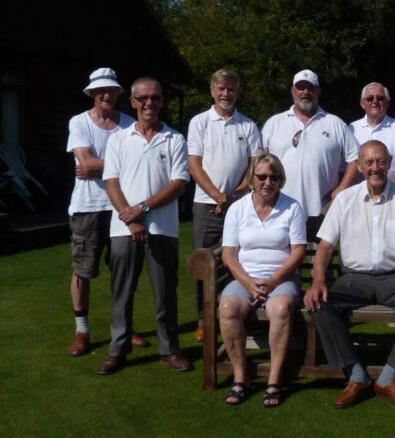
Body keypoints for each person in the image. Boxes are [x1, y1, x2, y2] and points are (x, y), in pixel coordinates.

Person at [303, 140, 395, 409]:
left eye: (380, 162)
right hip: (354, 278)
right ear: (358, 166)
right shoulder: (344, 200)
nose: (375, 168)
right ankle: (357, 375)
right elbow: (325, 247)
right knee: (319, 302)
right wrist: (318, 281)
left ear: (389, 164)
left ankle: (388, 377)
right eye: (369, 162)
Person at [99, 77, 192, 375]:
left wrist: (142, 209)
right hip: (123, 229)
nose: (149, 103)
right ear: (134, 103)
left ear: (162, 101)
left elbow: (178, 185)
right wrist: (132, 219)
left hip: (163, 228)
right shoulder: (118, 139)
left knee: (166, 292)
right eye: (143, 98)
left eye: (155, 97)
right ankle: (118, 349)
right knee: (121, 292)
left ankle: (170, 350)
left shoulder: (175, 139)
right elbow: (111, 183)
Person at [66, 68, 150, 356]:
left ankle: (124, 327)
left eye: (112, 90)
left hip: (122, 208)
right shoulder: (79, 123)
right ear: (92, 93)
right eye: (102, 90)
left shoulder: (128, 124)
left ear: (118, 93)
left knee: (123, 270)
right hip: (87, 207)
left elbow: (94, 166)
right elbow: (84, 162)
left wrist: (98, 166)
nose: (107, 94)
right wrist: (116, 162)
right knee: (83, 270)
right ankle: (82, 330)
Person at [218, 154, 306, 406]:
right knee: (227, 308)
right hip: (246, 277)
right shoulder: (237, 208)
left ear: (281, 180)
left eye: (274, 177)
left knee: (280, 308)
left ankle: (274, 380)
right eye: (262, 176)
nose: (268, 182)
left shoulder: (292, 207)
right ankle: (240, 376)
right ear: (252, 179)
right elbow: (228, 254)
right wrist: (248, 283)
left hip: (282, 277)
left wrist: (273, 281)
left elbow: (298, 250)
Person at [187, 69, 263, 341]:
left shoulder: (248, 125)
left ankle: (236, 313)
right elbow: (194, 165)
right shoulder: (199, 122)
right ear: (212, 91)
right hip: (206, 206)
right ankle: (203, 319)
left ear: (237, 92)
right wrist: (219, 197)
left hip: (241, 206)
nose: (226, 93)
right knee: (204, 264)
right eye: (221, 88)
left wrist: (236, 194)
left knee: (238, 262)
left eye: (231, 88)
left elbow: (255, 165)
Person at [261, 69, 358, 218]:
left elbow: (355, 159)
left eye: (310, 88)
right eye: (300, 87)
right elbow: (259, 162)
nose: (305, 92)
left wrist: (342, 188)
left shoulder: (335, 123)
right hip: (279, 209)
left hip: (321, 210)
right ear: (292, 91)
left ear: (318, 91)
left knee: (321, 243)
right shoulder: (274, 123)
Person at [348, 82, 395, 184]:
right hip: (358, 197)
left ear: (387, 103)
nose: (375, 101)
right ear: (362, 104)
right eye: (370, 98)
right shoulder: (351, 129)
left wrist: (388, 193)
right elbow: (346, 165)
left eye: (380, 98)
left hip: (394, 195)